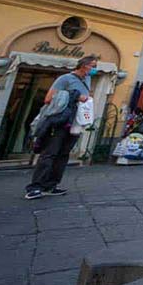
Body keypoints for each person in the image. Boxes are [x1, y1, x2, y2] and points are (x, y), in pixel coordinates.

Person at [25, 55, 98, 200]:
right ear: (83, 65)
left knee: (63, 154)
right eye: (93, 66)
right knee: (50, 153)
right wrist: (75, 96)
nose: (95, 69)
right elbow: (49, 98)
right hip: (60, 120)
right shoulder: (65, 79)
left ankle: (51, 185)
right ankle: (35, 187)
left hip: (75, 121)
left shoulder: (87, 80)